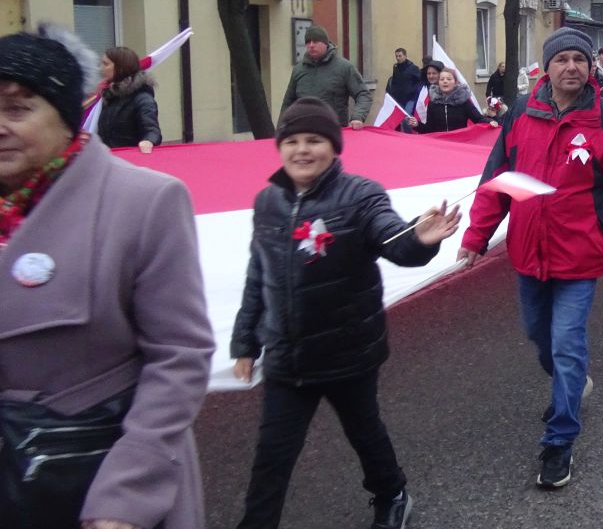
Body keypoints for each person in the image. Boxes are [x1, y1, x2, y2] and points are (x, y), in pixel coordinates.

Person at [0, 26, 214, 529]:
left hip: (100, 480)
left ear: (65, 116)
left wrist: (126, 496)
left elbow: (180, 356)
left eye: (17, 109)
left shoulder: (145, 201)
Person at [231, 97, 462, 529]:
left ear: (333, 147)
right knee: (271, 458)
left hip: (348, 352)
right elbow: (257, 274)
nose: (302, 150)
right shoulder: (267, 202)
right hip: (286, 359)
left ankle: (392, 493)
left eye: (314, 140)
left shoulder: (361, 195)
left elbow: (393, 238)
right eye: (292, 141)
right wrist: (245, 342)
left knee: (364, 432)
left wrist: (418, 239)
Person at [457, 27, 603, 489]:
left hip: (580, 258)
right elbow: (498, 179)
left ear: (591, 67)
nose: (571, 67)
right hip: (528, 253)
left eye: (580, 59)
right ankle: (572, 382)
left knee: (566, 344)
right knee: (539, 337)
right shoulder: (522, 112)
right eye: (562, 60)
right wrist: (476, 237)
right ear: (547, 67)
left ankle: (560, 441)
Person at [281, 25, 372, 128]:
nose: (311, 45)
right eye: (308, 42)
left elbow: (363, 94)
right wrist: (282, 129)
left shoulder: (344, 67)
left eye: (315, 41)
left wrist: (357, 117)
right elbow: (288, 103)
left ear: (325, 43)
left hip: (334, 131)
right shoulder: (298, 70)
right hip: (304, 130)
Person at [96, 45, 162, 152]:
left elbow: (152, 130)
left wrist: (148, 141)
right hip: (110, 157)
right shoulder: (110, 97)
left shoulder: (142, 99)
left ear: (120, 67)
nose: (101, 68)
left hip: (131, 158)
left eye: (106, 64)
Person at [407, 68, 499, 133]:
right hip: (440, 145)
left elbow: (478, 119)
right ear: (438, 83)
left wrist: (490, 121)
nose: (445, 81)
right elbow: (430, 129)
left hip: (459, 144)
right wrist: (417, 125)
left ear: (455, 82)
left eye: (449, 79)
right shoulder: (433, 103)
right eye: (442, 79)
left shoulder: (464, 101)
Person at [385, 48, 422, 115]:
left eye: (400, 56)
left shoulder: (412, 68)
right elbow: (394, 81)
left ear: (405, 56)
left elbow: (420, 81)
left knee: (407, 116)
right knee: (399, 117)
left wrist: (413, 90)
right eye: (396, 56)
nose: (398, 58)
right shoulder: (396, 67)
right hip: (398, 99)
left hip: (410, 99)